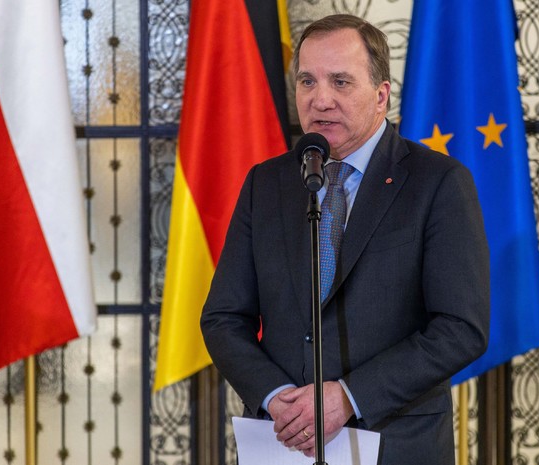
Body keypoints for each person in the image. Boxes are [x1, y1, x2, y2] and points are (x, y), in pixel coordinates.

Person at [200, 14, 490, 465]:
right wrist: (276, 397)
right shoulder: (266, 183)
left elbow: (461, 328)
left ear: (381, 95)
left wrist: (349, 396)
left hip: (396, 444)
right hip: (283, 444)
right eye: (307, 81)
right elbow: (223, 318)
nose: (320, 99)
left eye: (340, 81)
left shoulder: (438, 182)